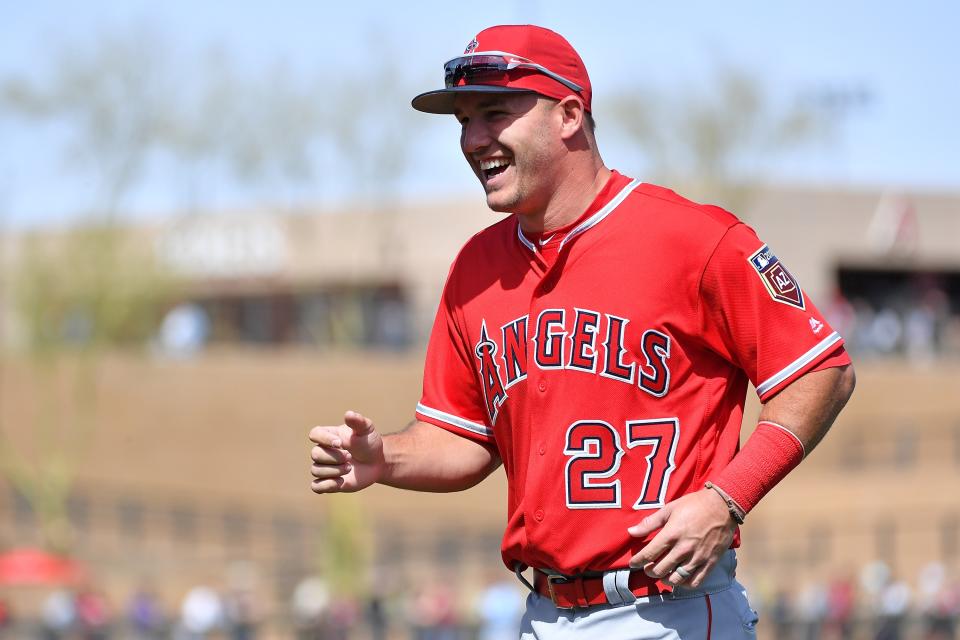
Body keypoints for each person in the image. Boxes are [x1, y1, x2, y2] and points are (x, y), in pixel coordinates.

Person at [309, 24, 855, 639]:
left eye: (494, 112)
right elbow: (464, 439)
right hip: (541, 615)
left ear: (569, 114)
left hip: (667, 611)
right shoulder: (475, 268)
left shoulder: (694, 239)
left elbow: (823, 371)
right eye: (463, 120)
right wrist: (387, 458)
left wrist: (728, 498)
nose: (472, 138)